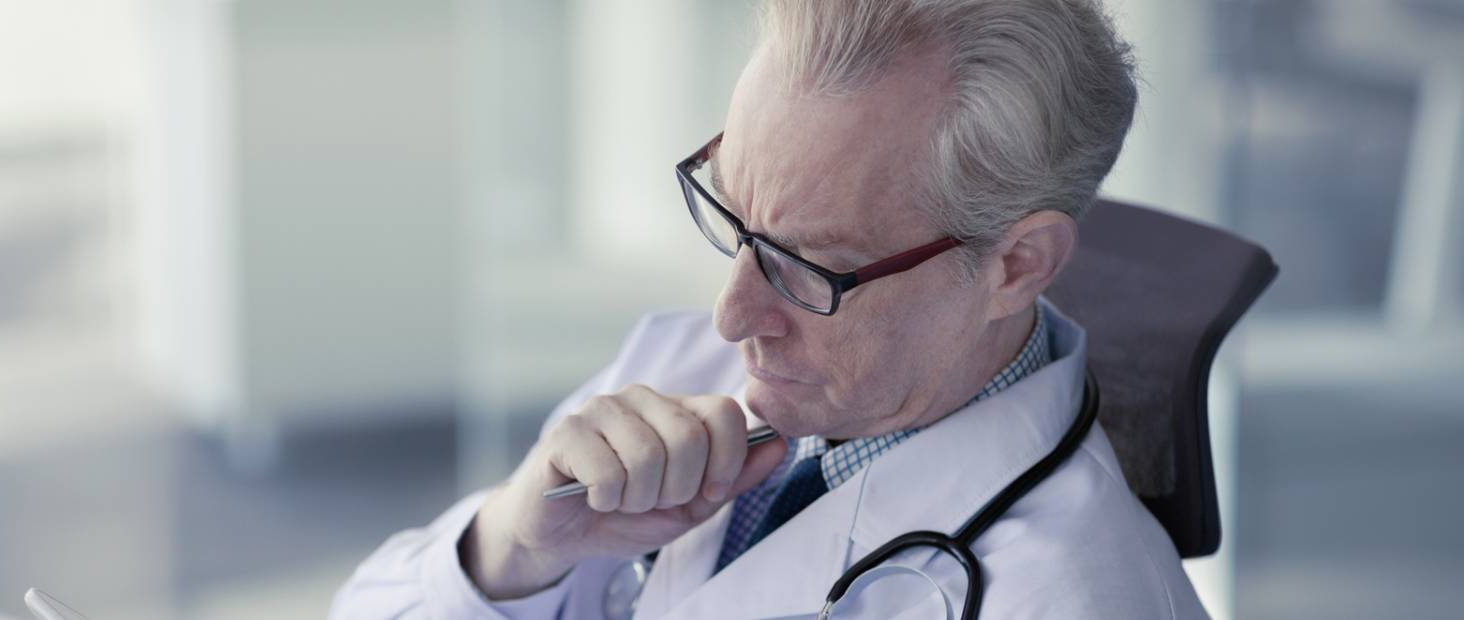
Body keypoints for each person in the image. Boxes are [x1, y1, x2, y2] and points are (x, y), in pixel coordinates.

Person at [332, 0, 1206, 617]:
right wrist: (515, 551)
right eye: (734, 217)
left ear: (1017, 264)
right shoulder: (675, 375)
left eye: (810, 265)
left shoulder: (1077, 595)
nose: (730, 316)